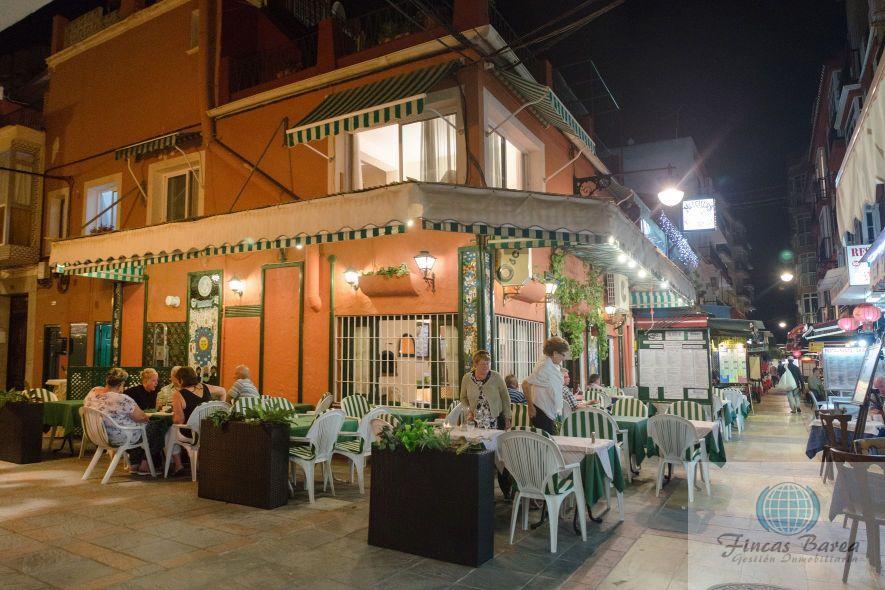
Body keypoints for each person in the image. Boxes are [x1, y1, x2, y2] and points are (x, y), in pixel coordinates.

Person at [84, 368, 162, 476]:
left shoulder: (93, 392)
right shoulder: (122, 399)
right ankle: (144, 465)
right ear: (121, 384)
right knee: (155, 428)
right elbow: (142, 417)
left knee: (136, 428)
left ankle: (134, 464)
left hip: (95, 435)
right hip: (118, 437)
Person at [167, 366, 215, 476]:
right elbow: (222, 391)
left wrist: (172, 416)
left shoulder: (178, 394)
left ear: (181, 379)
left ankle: (178, 465)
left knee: (169, 431)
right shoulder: (205, 387)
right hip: (209, 431)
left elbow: (179, 420)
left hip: (191, 433)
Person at [523, 336, 570, 435]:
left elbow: (548, 379)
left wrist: (559, 371)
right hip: (541, 412)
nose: (564, 358)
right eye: (563, 355)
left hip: (548, 411)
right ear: (555, 353)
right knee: (547, 442)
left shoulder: (550, 363)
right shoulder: (544, 367)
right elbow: (525, 384)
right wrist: (530, 407)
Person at [459, 350, 511, 430]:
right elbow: (463, 398)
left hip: (494, 419)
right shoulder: (467, 378)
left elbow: (505, 398)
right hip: (475, 419)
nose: (486, 366)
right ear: (475, 365)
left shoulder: (496, 377)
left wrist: (507, 418)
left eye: (488, 363)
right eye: (483, 364)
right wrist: (468, 411)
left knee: (494, 438)